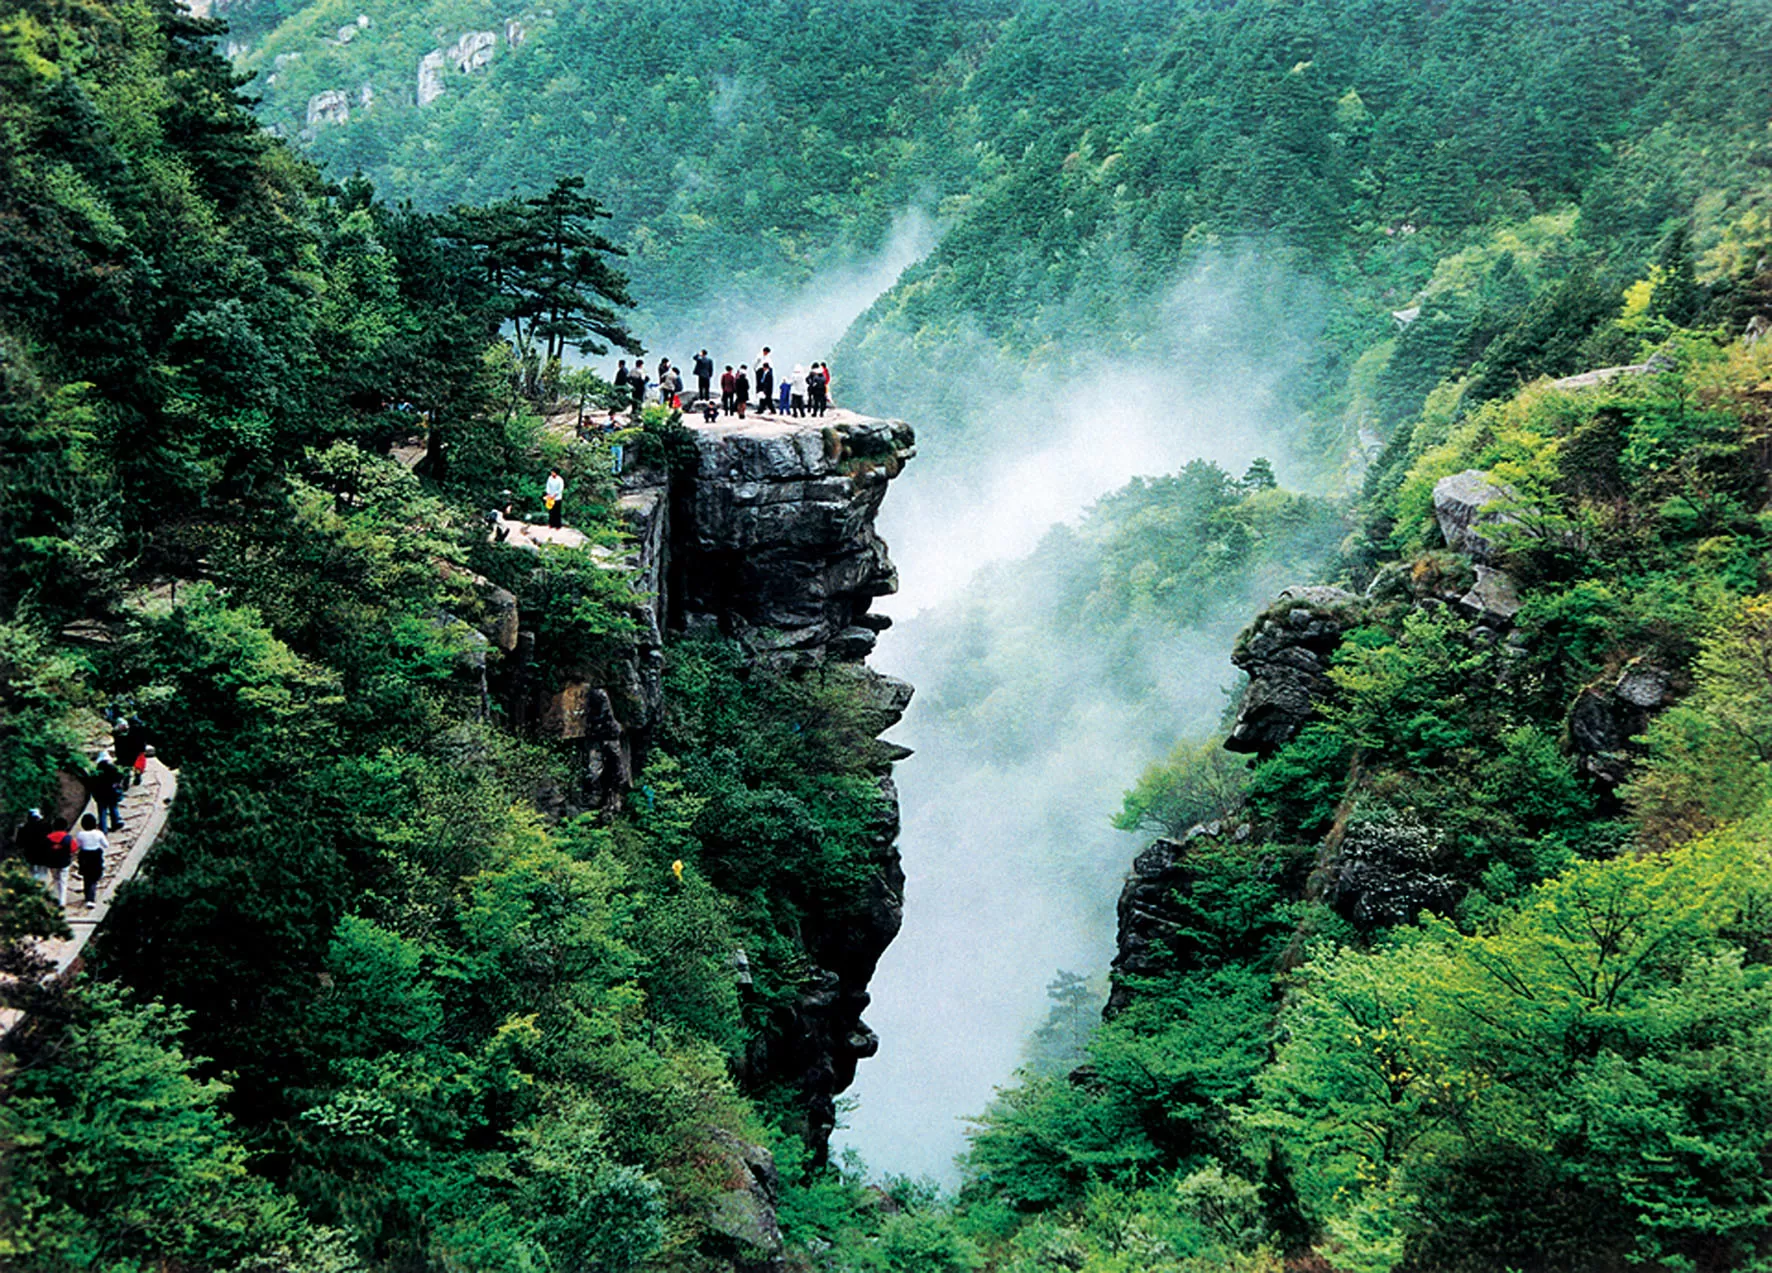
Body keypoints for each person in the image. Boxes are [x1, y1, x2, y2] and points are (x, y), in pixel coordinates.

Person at [73, 812, 108, 907]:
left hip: (84, 856)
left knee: (86, 876)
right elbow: (106, 845)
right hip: (96, 855)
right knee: (94, 877)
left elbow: (78, 846)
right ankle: (91, 898)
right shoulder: (98, 833)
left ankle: (87, 894)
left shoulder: (80, 834)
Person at [90, 754, 125, 832]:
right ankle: (115, 823)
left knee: (102, 812)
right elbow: (120, 776)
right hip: (111, 793)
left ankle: (103, 828)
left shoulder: (97, 771)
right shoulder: (113, 768)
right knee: (113, 807)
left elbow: (92, 783)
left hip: (100, 794)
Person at [44, 816, 73, 906]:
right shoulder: (68, 838)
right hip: (64, 862)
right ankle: (62, 902)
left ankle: (55, 898)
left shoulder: (48, 837)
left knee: (55, 879)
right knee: (63, 881)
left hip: (52, 862)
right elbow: (73, 848)